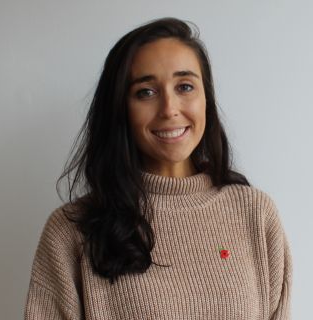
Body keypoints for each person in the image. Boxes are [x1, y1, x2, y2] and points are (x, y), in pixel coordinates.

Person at [24, 17, 293, 319]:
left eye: (185, 86)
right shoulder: (70, 232)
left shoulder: (255, 215)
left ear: (207, 99)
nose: (169, 108)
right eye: (146, 92)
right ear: (120, 109)